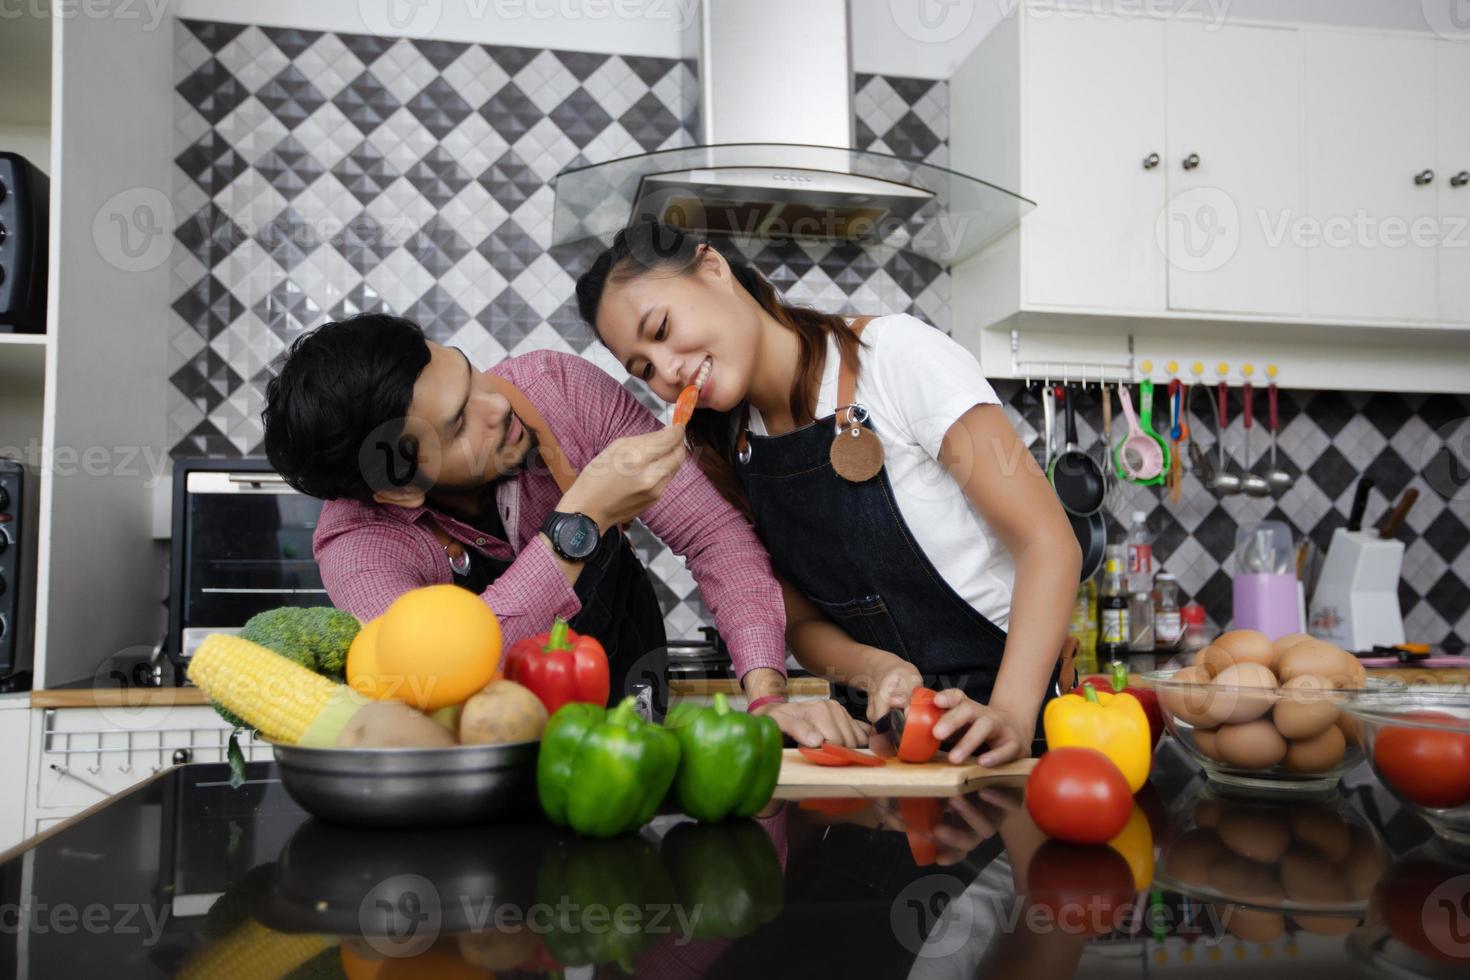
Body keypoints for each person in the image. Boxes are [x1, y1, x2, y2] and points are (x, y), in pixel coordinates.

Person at [579, 220, 1082, 765]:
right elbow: (802, 624)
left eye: (662, 328)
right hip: (885, 749)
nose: (669, 371)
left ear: (713, 269)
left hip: (1022, 732)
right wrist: (875, 669)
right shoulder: (728, 450)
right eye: (643, 368)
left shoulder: (896, 357)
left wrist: (1009, 712)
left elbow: (1048, 544)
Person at [261, 312, 858, 745]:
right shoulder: (360, 549)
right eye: (458, 423)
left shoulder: (558, 390)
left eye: (471, 375)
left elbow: (715, 536)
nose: (498, 406)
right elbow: (433, 687)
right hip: (490, 760)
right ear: (395, 487)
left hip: (628, 704)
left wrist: (766, 697)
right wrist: (582, 521)